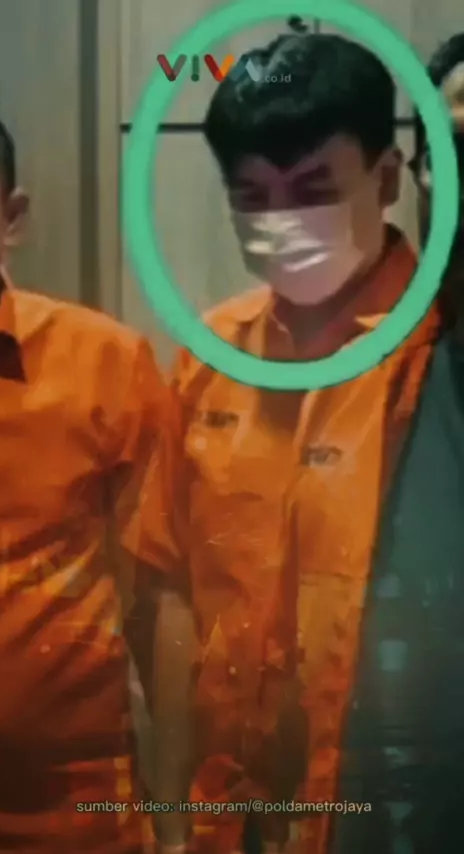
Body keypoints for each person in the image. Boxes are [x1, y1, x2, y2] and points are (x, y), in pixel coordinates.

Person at [123, 31, 451, 854]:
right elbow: (169, 591)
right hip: (228, 820)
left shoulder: (439, 358)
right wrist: (174, 823)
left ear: (386, 180)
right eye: (252, 197)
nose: (282, 224)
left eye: (313, 190)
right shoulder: (210, 357)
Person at [0, 108, 168, 853]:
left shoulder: (104, 364)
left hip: (74, 819)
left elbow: (165, 605)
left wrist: (184, 824)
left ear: (13, 216)